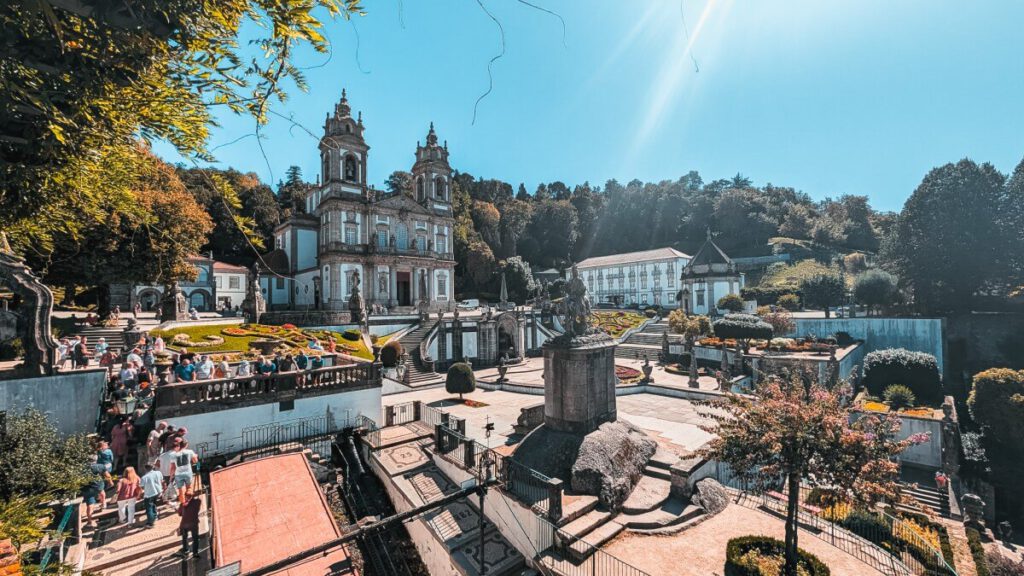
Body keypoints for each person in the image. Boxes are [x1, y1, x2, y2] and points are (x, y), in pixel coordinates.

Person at [168, 438, 198, 506]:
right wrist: (195, 456)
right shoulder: (190, 452)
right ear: (185, 445)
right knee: (189, 488)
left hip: (178, 475)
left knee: (181, 491)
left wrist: (171, 477)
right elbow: (195, 461)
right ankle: (189, 502)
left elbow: (172, 467)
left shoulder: (173, 454)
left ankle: (183, 504)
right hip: (188, 473)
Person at [82, 454, 107, 527]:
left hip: (87, 488)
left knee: (90, 505)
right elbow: (107, 475)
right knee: (102, 491)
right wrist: (111, 481)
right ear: (96, 460)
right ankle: (103, 504)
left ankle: (89, 521)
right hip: (98, 485)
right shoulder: (100, 466)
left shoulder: (82, 469)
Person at [176, 487, 201, 558]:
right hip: (194, 524)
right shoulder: (197, 502)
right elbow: (198, 501)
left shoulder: (183, 504)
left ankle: (186, 550)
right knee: (195, 539)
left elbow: (180, 514)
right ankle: (195, 553)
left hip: (184, 525)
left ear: (185, 496)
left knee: (185, 538)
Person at [140, 463, 164, 528]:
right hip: (158, 492)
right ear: (153, 467)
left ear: (145, 469)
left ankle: (150, 523)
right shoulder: (158, 473)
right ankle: (155, 516)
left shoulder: (144, 477)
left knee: (149, 508)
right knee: (154, 504)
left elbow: (141, 486)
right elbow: (162, 480)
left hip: (149, 494)